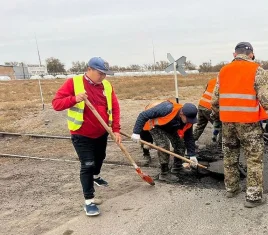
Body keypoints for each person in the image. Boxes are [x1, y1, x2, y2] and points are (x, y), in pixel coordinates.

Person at [52, 57, 121, 217]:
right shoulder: (73, 83)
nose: (103, 77)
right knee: (87, 164)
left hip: (101, 132)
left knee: (100, 158)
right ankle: (89, 201)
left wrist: (116, 129)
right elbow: (56, 104)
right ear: (89, 69)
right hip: (81, 134)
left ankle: (96, 176)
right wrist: (74, 98)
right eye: (100, 73)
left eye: (105, 74)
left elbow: (115, 107)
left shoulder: (107, 86)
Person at [211, 42, 268, 208]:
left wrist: (217, 119)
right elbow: (267, 98)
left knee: (230, 156)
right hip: (249, 123)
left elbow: (215, 100)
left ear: (234, 54)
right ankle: (253, 197)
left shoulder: (223, 71)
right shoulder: (256, 70)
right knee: (254, 158)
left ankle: (232, 189)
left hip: (228, 123)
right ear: (251, 54)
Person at [131, 100, 198, 183]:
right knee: (163, 145)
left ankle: (177, 167)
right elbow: (143, 115)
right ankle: (164, 173)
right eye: (188, 119)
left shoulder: (188, 121)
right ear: (181, 114)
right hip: (156, 126)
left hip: (170, 126)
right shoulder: (166, 108)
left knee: (180, 144)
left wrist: (192, 154)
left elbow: (189, 137)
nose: (190, 121)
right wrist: (136, 132)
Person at [193, 78, 222, 143]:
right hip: (210, 107)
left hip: (201, 105)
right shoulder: (224, 82)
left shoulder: (212, 80)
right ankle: (221, 148)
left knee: (200, 126)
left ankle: (190, 144)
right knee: (222, 127)